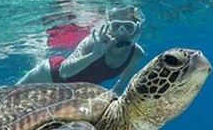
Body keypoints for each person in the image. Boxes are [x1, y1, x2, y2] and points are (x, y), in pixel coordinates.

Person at [16, 5, 145, 92]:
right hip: (50, 75)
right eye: (116, 26)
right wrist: (95, 55)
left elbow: (121, 84)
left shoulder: (136, 54)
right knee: (8, 98)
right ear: (109, 27)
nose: (121, 32)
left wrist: (114, 94)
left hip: (72, 94)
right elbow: (64, 72)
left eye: (128, 27)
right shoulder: (94, 42)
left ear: (137, 29)